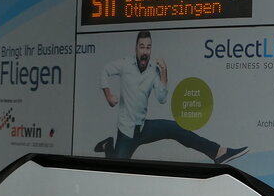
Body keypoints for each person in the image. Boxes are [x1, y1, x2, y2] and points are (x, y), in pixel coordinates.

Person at [95, 30, 247, 164]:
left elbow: (161, 98)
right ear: (136, 48)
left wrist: (164, 72)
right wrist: (108, 95)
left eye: (148, 47)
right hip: (126, 131)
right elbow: (105, 70)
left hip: (142, 128)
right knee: (117, 169)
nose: (145, 51)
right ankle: (109, 146)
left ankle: (218, 152)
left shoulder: (152, 70)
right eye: (142, 47)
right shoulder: (125, 64)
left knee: (175, 128)